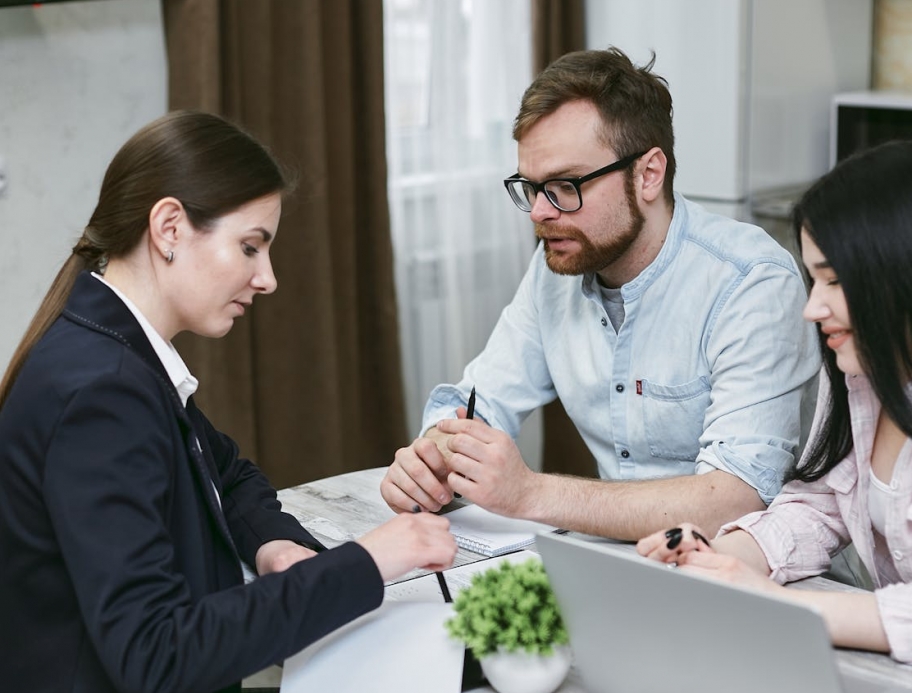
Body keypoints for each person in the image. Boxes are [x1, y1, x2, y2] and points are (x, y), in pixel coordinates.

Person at [0, 111, 456, 693]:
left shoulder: (114, 351)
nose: (267, 278)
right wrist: (368, 561)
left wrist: (274, 544)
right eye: (249, 247)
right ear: (169, 228)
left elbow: (226, 472)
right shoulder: (104, 392)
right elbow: (157, 656)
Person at [380, 47, 820, 540]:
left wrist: (530, 494)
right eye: (530, 187)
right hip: (623, 566)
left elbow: (738, 496)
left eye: (565, 185)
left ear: (648, 174)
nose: (539, 214)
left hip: (758, 576)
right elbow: (480, 401)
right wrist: (435, 454)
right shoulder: (558, 268)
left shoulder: (751, 282)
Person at [637, 140, 912, 663]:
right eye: (814, 279)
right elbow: (822, 504)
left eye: (834, 280)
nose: (813, 307)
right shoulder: (859, 372)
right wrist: (721, 560)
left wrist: (776, 603)